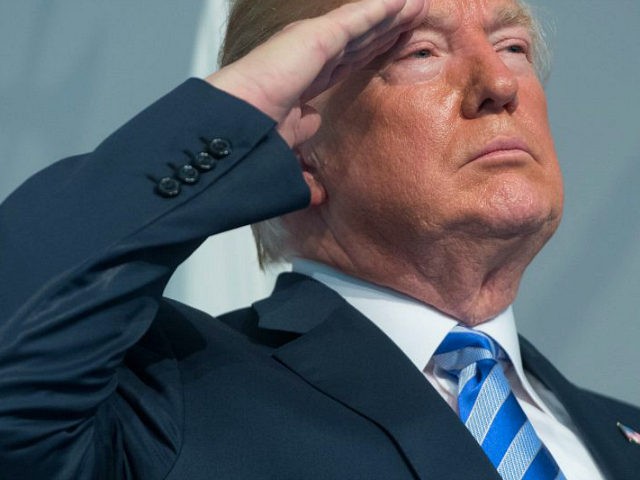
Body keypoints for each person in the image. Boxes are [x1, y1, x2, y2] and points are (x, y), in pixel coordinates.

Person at [0, 0, 638, 478]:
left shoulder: (622, 433)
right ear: (296, 136)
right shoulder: (168, 394)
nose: (500, 85)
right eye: (419, 53)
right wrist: (236, 113)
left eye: (513, 47)